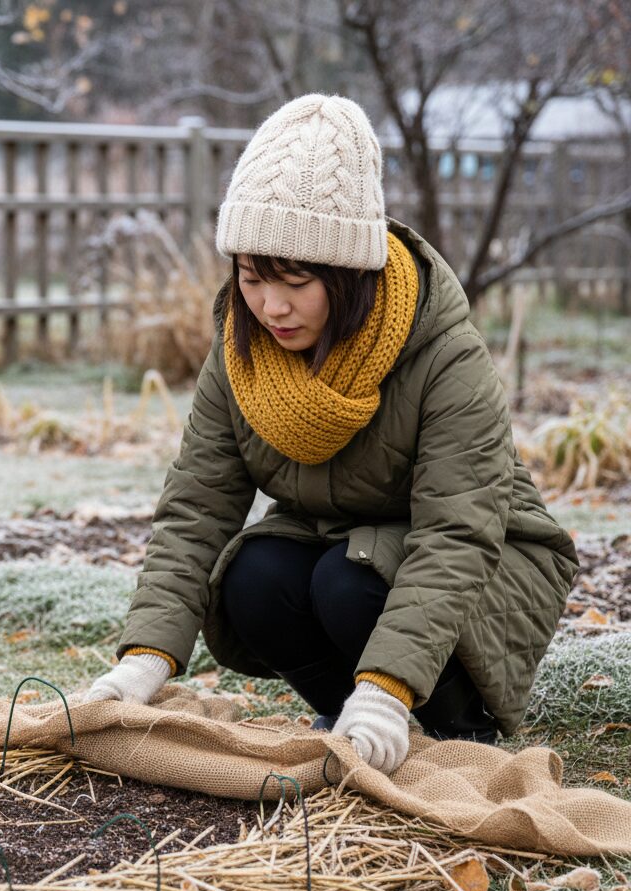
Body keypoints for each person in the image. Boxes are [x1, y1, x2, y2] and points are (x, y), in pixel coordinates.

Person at [81, 94, 579, 775]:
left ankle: (454, 723)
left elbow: (457, 533)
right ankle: (347, 715)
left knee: (348, 583)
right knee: (254, 577)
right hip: (344, 547)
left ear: (349, 275)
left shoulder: (444, 354)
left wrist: (387, 686)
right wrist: (145, 658)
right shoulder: (242, 350)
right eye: (252, 279)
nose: (271, 305)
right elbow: (198, 506)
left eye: (296, 281)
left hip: (483, 562)